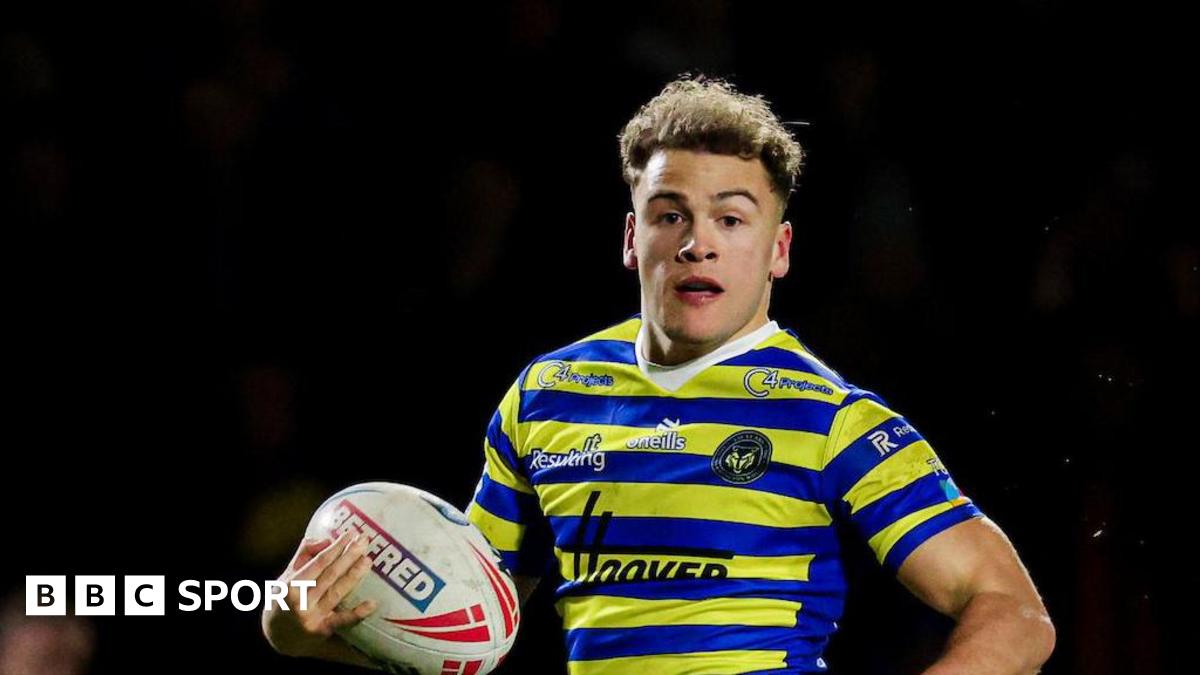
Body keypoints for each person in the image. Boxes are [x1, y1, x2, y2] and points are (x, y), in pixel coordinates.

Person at [262, 76, 1055, 674]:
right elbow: (469, 628)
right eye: (672, 213)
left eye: (732, 218)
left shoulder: (831, 417)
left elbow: (1016, 614)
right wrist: (296, 628)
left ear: (778, 249)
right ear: (632, 235)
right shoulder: (547, 396)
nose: (697, 243)